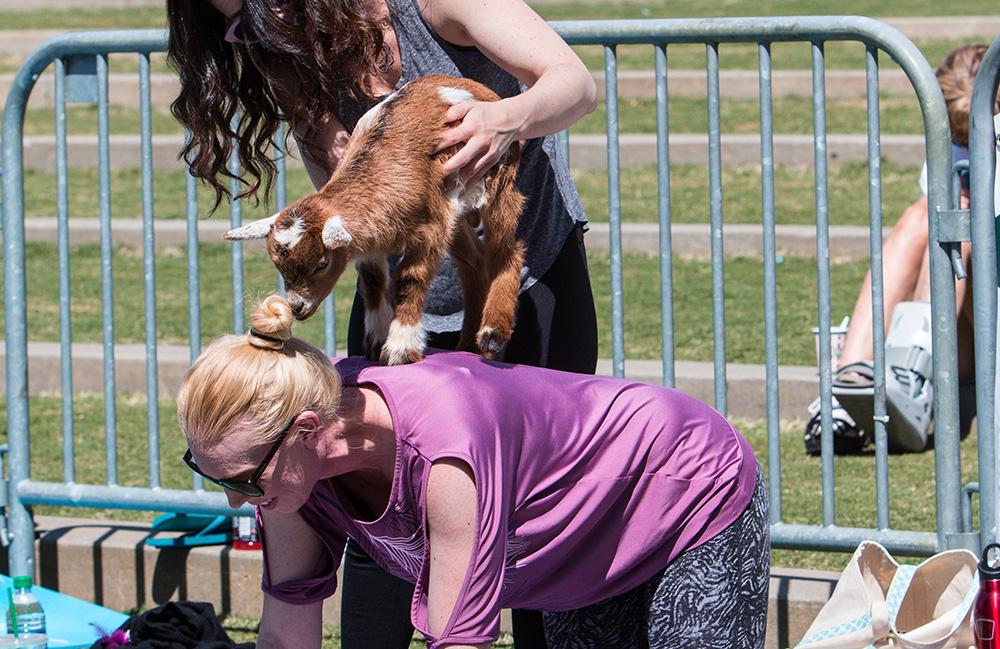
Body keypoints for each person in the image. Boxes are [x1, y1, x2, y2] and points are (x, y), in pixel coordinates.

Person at [165, 1, 600, 646]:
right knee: (378, 522)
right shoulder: (289, 58)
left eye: (257, 10)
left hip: (523, 292)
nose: (252, 32)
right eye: (233, 24)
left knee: (534, 524)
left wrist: (500, 121)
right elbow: (345, 219)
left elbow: (574, 84)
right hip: (399, 317)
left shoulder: (431, 6)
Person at [177, 295, 770, 649]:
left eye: (244, 481)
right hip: (575, 553)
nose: (237, 502)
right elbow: (286, 633)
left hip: (683, 484)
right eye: (219, 479)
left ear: (307, 430)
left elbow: (458, 639)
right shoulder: (289, 475)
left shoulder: (446, 449)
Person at [803, 44, 996, 455]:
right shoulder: (950, 145)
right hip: (960, 316)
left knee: (958, 221)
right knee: (923, 215)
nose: (965, 141)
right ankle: (846, 385)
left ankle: (908, 378)